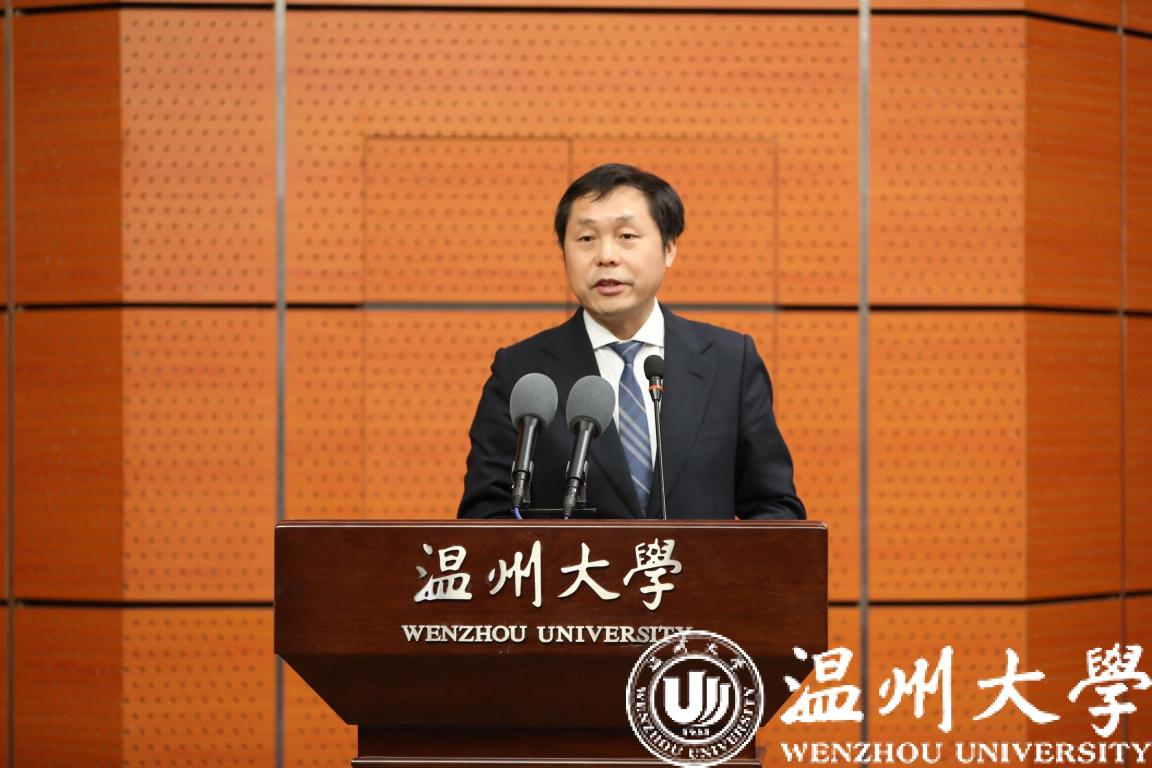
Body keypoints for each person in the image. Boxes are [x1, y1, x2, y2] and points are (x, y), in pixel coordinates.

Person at [457, 163, 804, 520]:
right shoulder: (522, 373)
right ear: (563, 253)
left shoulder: (730, 362)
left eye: (626, 236)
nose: (606, 256)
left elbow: (775, 508)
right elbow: (485, 517)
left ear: (669, 248)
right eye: (586, 239)